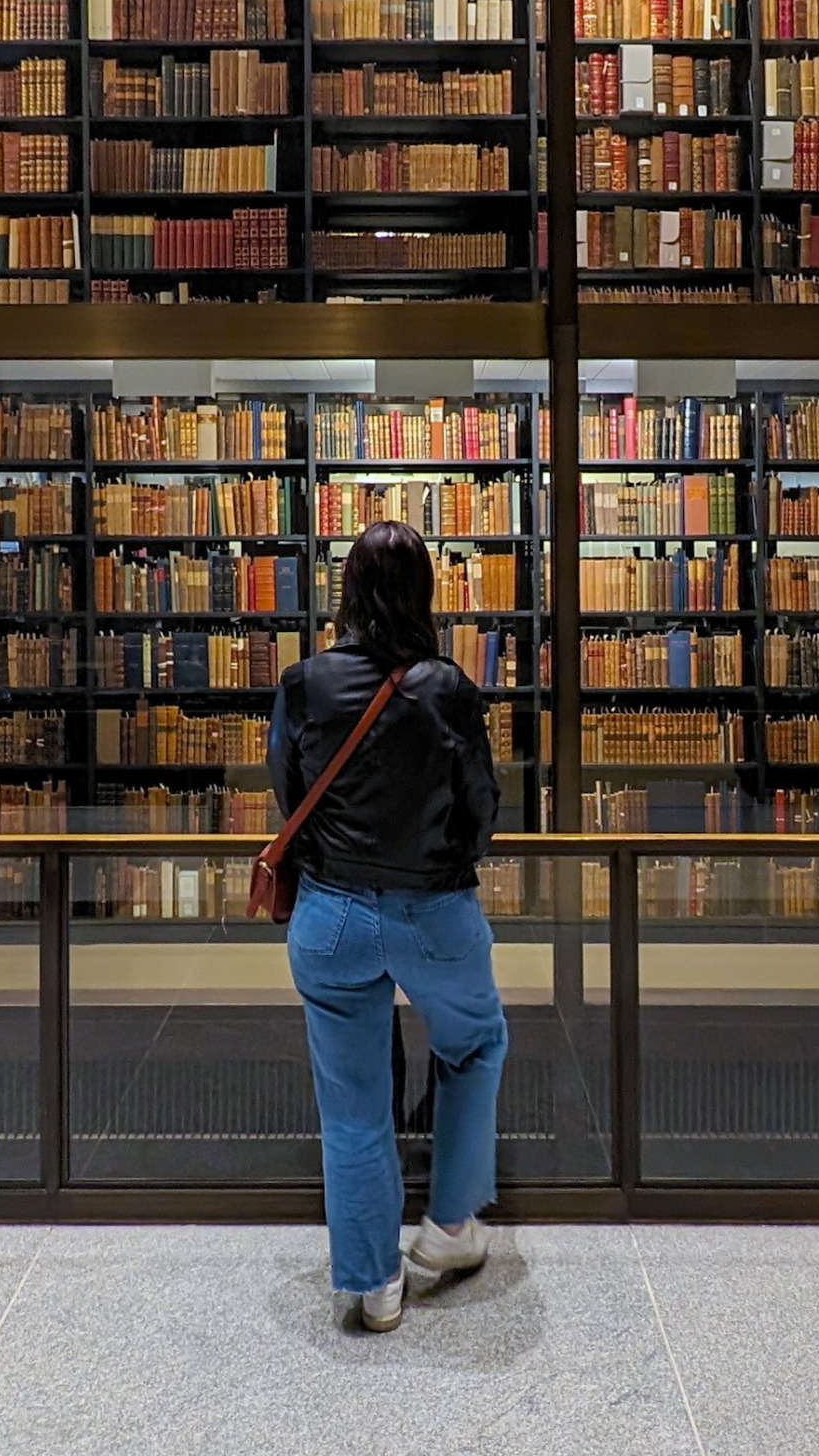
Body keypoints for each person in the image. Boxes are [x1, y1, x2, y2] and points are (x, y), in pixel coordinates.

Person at [268, 516, 508, 1332]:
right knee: (474, 1043)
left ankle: (372, 1285)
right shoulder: (449, 688)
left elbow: (287, 790)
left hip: (332, 912)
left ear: (348, 592)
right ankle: (446, 1229)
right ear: (425, 592)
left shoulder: (305, 682)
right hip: (434, 910)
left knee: (354, 1103)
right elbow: (482, 813)